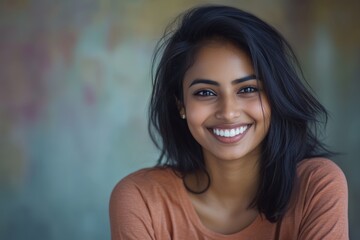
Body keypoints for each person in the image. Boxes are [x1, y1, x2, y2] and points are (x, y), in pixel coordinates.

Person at [109, 5, 348, 239]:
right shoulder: (141, 199)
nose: (229, 112)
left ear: (276, 96)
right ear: (181, 105)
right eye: (205, 93)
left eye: (247, 89)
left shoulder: (316, 186)